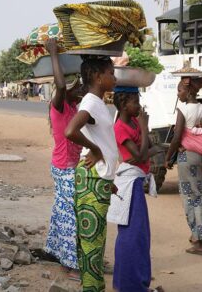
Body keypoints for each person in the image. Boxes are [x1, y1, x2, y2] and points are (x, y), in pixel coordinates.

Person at [65, 56, 118, 292]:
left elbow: (103, 140)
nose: (114, 77)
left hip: (97, 179)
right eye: (111, 72)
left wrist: (109, 179)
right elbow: (70, 131)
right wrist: (95, 150)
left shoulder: (98, 102)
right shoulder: (91, 102)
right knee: (91, 243)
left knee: (94, 242)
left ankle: (94, 288)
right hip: (91, 178)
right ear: (98, 77)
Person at [108, 86, 164, 292]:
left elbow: (145, 147)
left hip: (135, 182)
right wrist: (144, 126)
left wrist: (145, 136)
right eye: (135, 102)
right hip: (129, 184)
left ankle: (130, 283)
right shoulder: (120, 127)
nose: (138, 106)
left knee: (139, 235)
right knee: (132, 236)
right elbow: (141, 155)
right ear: (123, 104)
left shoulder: (131, 122)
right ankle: (131, 286)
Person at [39, 38, 83, 278]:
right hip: (63, 168)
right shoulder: (59, 107)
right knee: (69, 216)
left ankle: (59, 254)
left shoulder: (76, 108)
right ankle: (70, 265)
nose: (80, 90)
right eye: (77, 87)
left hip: (70, 167)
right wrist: (54, 53)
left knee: (62, 212)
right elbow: (61, 85)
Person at [165, 77, 202, 255]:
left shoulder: (183, 108)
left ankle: (197, 239)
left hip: (187, 157)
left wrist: (168, 156)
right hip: (200, 156)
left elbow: (177, 135)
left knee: (189, 197)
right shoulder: (201, 107)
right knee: (199, 195)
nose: (178, 94)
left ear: (187, 92)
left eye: (179, 91)